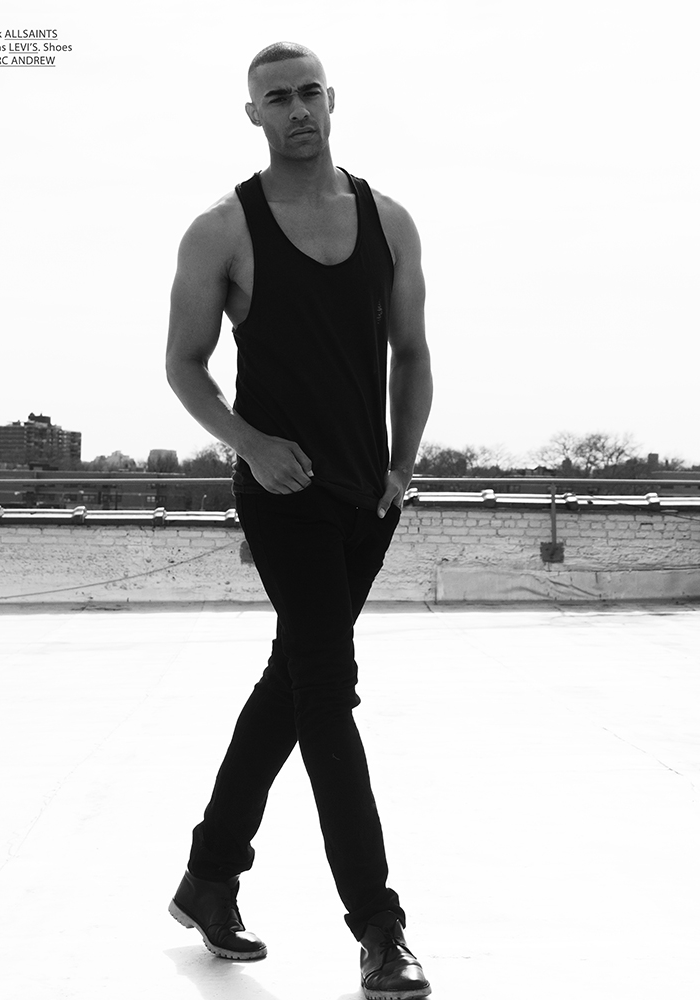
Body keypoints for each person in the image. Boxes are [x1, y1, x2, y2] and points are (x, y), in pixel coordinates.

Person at [165, 40, 433, 999]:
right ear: (254, 115)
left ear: (332, 99)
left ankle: (209, 875)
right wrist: (251, 445)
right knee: (326, 691)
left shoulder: (388, 219)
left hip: (368, 496)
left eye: (309, 92)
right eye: (276, 98)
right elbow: (184, 364)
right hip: (282, 498)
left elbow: (412, 351)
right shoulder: (222, 230)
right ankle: (379, 927)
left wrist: (402, 465)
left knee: (293, 679)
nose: (297, 109)